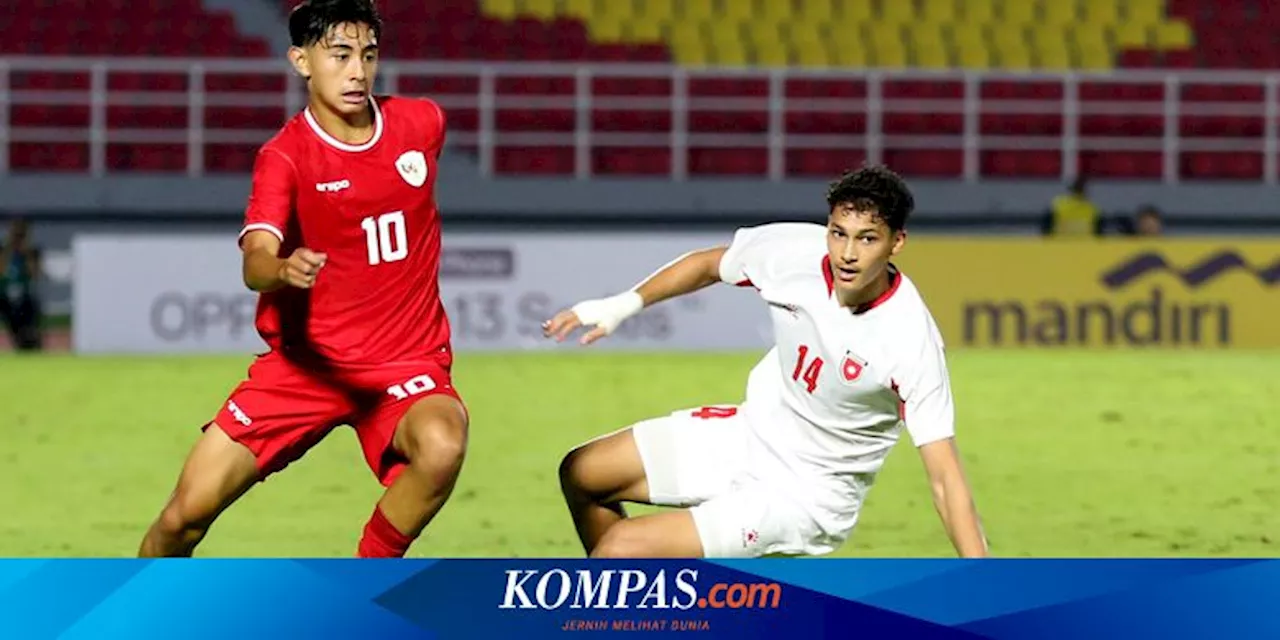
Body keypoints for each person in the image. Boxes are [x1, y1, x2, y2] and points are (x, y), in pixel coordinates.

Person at [138, 0, 468, 558]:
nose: (357, 71)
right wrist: (283, 270)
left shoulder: (421, 123)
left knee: (442, 443)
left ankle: (361, 588)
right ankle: (135, 612)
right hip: (304, 370)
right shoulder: (285, 158)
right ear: (301, 60)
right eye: (339, 55)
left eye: (367, 55)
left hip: (403, 365)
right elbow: (255, 260)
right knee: (182, 519)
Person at [545, 166, 988, 559]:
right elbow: (707, 264)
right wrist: (623, 304)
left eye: (867, 238)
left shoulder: (910, 340)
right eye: (838, 232)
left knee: (620, 553)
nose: (847, 254)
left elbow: (946, 480)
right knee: (583, 471)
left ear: (897, 242)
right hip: (748, 435)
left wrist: (991, 588)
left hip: (804, 495)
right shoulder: (794, 252)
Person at [0, 218, 43, 352]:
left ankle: (30, 344)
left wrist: (26, 253)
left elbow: (35, 275)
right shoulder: (3, 250)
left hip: (24, 296)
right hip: (3, 295)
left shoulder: (32, 252)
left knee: (27, 327)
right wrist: (8, 250)